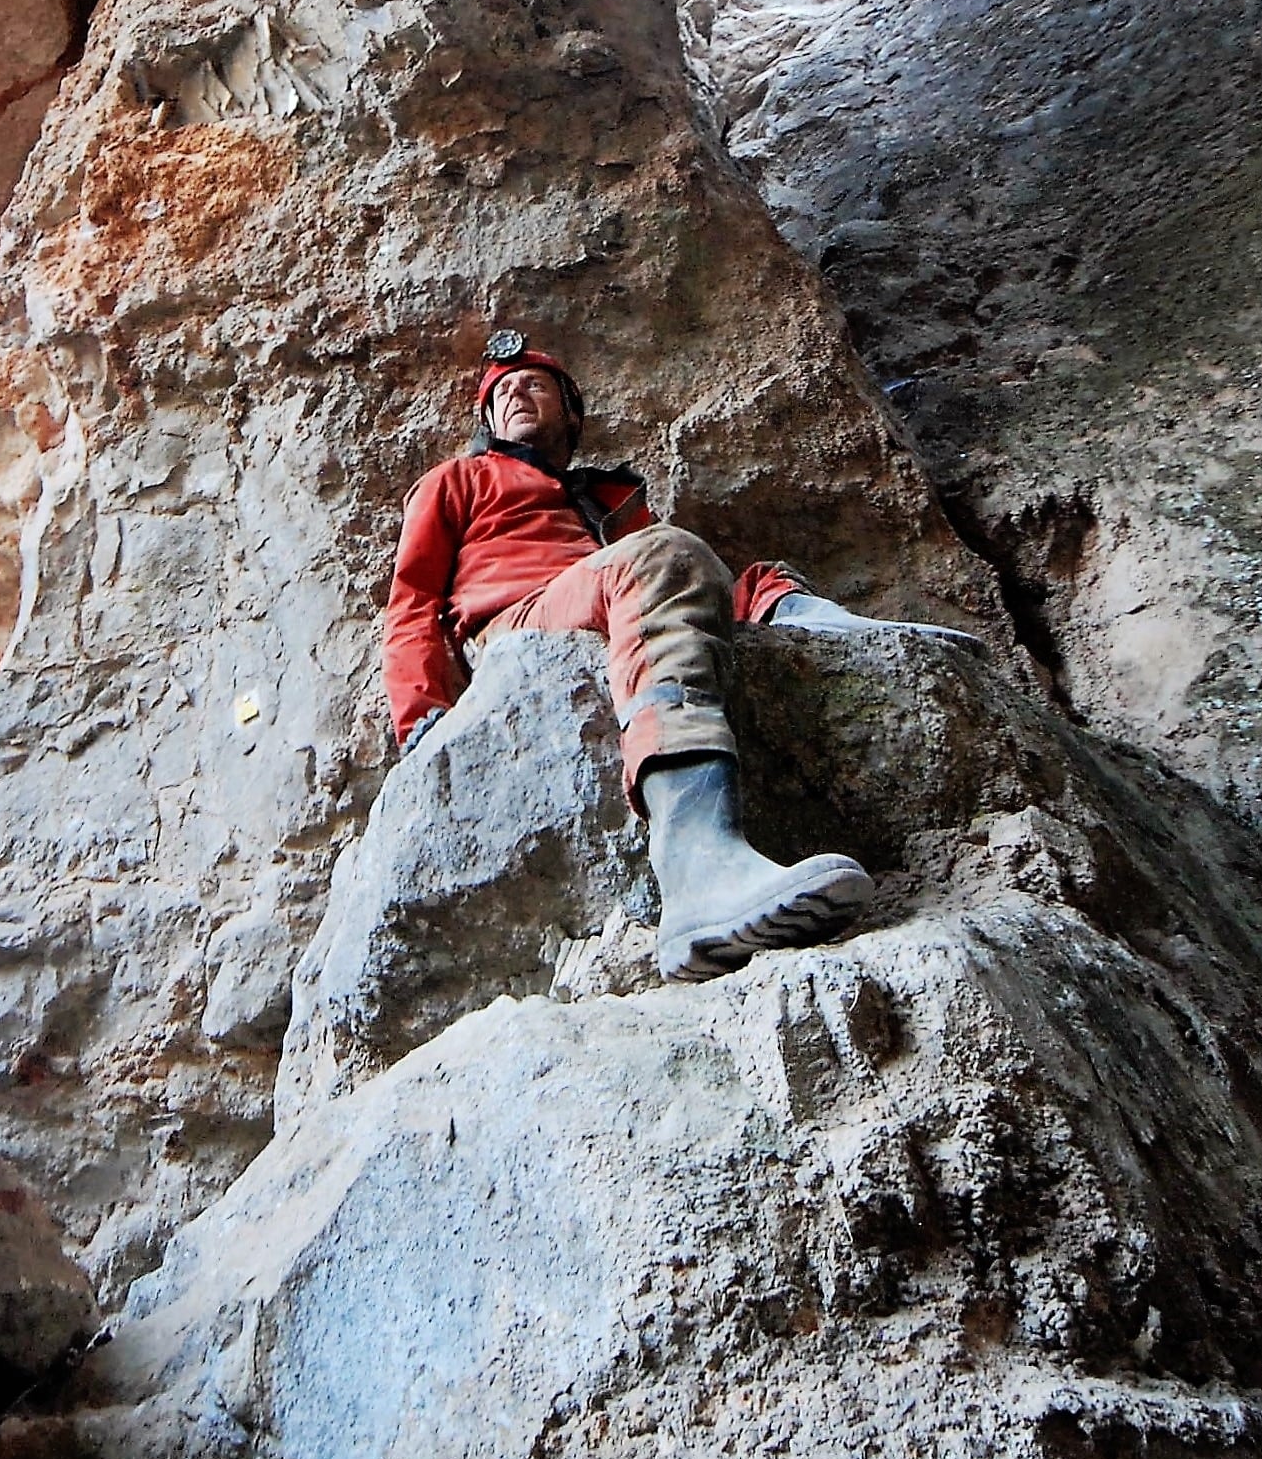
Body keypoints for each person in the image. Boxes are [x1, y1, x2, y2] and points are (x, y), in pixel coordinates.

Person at [380, 332, 967, 981]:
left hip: (608, 589)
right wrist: (421, 716)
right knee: (662, 554)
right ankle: (695, 866)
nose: (517, 391)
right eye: (502, 392)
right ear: (486, 421)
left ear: (571, 413)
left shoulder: (604, 501)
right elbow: (411, 600)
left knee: (751, 579)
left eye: (534, 384)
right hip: (517, 621)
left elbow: (680, 585)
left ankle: (867, 644)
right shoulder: (456, 480)